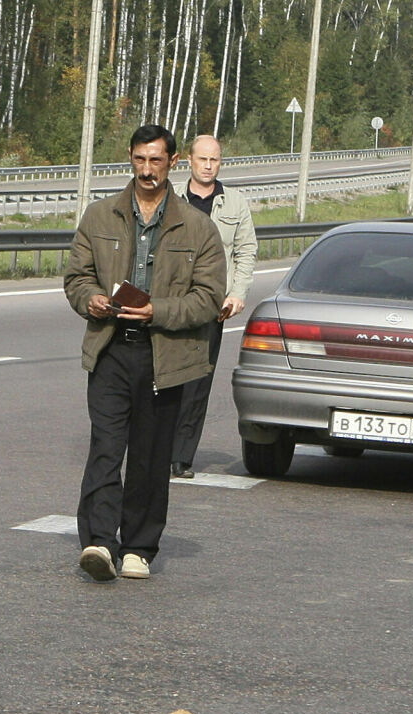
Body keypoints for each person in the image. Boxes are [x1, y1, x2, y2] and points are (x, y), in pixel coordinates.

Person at [64, 125, 225, 582]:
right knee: (106, 449)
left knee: (151, 458)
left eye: (156, 160)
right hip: (111, 349)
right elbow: (77, 278)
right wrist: (91, 299)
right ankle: (99, 542)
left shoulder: (198, 227)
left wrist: (158, 311)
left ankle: (138, 546)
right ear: (129, 159)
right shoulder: (99, 217)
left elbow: (209, 298)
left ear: (173, 161)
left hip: (166, 356)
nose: (147, 169)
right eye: (139, 160)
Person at [171, 134, 258, 479]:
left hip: (211, 305)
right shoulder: (172, 199)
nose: (208, 166)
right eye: (202, 159)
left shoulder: (234, 203)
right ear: (190, 161)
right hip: (172, 303)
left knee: (197, 380)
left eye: (215, 160)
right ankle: (156, 447)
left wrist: (237, 293)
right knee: (162, 379)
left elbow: (245, 251)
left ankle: (181, 456)